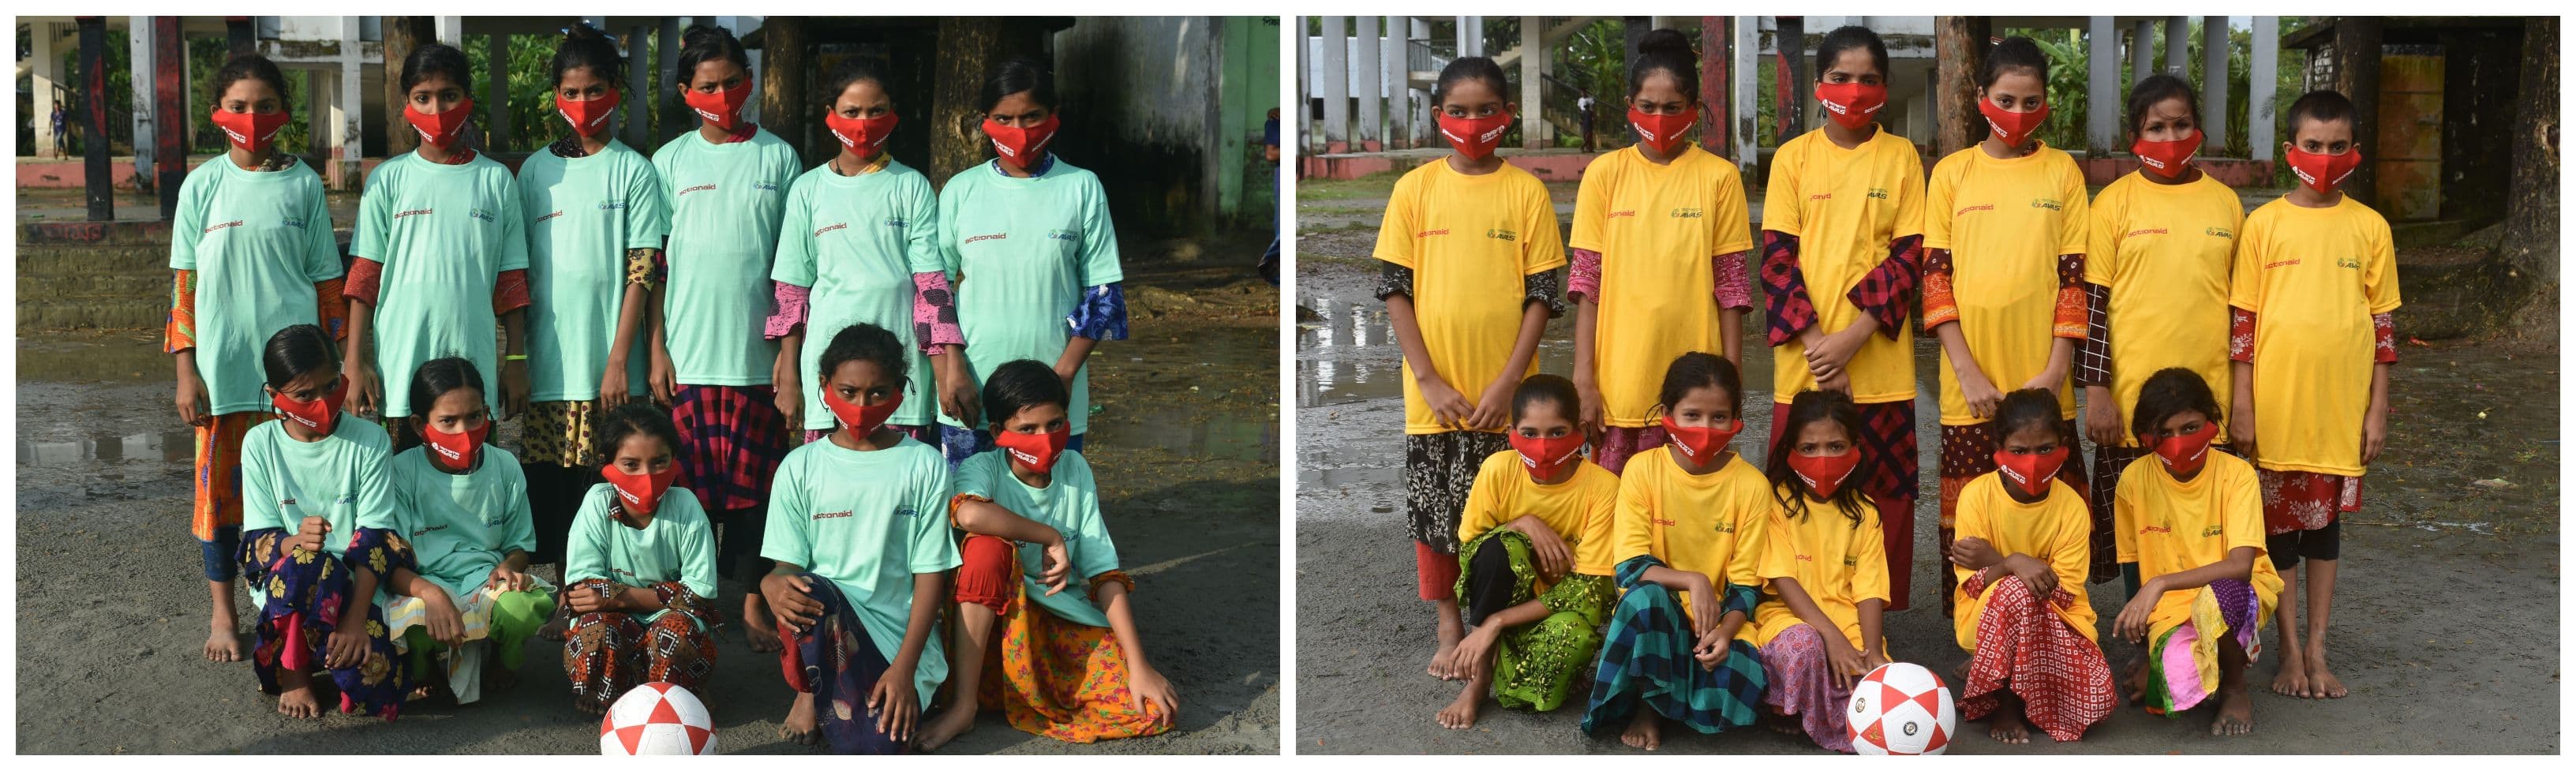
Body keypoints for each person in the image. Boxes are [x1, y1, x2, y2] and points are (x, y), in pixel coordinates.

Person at [1375, 55, 1566, 679]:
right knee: (1434, 513)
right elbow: (1395, 289)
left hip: (1503, 392)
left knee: (1498, 507)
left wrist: (1509, 382)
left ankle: (1495, 616)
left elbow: (1543, 295)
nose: (1473, 122)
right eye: (1459, 111)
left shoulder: (1526, 191)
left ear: (1507, 115)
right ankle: (1447, 622)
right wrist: (1428, 378)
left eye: (1487, 110)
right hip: (1434, 393)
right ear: (1438, 117)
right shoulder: (1415, 189)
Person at [168, 53, 348, 664]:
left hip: (294, 383)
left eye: (266, 106)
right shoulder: (201, 185)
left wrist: (342, 367)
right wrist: (185, 370)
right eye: (240, 106)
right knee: (218, 502)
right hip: (221, 378)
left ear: (284, 113)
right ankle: (224, 613)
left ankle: (291, 608)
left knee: (294, 496)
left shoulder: (302, 184)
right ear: (219, 113)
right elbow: (184, 289)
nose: (252, 117)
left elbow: (328, 283)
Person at [2228, 88, 2400, 702]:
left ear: (2354, 151)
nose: (2324, 157)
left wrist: (2378, 408)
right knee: (2279, 534)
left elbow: (2382, 330)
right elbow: (2243, 325)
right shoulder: (2264, 224)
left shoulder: (2370, 226)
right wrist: (2242, 403)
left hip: (2340, 412)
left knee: (2324, 532)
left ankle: (2320, 646)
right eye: (2312, 145)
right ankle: (2289, 649)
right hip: (2276, 410)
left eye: (2337, 146)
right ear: (2290, 150)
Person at [1921, 36, 2095, 616]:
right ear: (1980, 98)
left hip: (2046, 386)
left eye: (2031, 101)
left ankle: (2059, 630)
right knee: (1972, 520)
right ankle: (1978, 634)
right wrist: (1966, 371)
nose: (2017, 114)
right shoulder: (1951, 173)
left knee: (2052, 513)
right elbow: (1936, 277)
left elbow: (2074, 279)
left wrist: (2055, 371)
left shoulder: (2063, 172)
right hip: (1972, 389)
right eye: (2005, 99)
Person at [921, 359, 1180, 747]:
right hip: (991, 629)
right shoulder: (983, 467)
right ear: (998, 432)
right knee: (985, 550)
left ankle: (1009, 693)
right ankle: (964, 705)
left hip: (1059, 623)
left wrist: (1139, 665)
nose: (1045, 438)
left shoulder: (1075, 468)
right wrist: (1049, 535)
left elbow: (1103, 570)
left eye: (1055, 425)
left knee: (1152, 712)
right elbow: (969, 513)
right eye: (1027, 429)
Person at [1758, 24, 1926, 610]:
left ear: (1884, 86)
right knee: (1794, 495)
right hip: (1804, 368)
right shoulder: (1793, 158)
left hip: (1880, 368)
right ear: (1818, 82)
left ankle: (1875, 628)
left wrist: (1851, 340)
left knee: (1884, 501)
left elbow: (1908, 259)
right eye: (1841, 77)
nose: (1854, 91)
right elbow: (1778, 259)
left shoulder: (1902, 156)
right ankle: (1793, 615)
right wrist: (1819, 349)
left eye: (1868, 80)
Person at [651, 23, 804, 655]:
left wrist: (789, 358)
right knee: (687, 490)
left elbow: (794, 268)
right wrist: (656, 348)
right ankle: (688, 601)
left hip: (756, 358)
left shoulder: (779, 157)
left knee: (754, 495)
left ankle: (751, 597)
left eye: (733, 81)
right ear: (687, 91)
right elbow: (651, 267)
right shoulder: (668, 162)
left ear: (750, 80)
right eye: (707, 85)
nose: (722, 94)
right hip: (686, 356)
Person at [516, 22, 672, 641]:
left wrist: (619, 359)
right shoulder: (532, 174)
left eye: (597, 90)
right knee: (554, 494)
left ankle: (616, 598)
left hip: (611, 370)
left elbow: (643, 268)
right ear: (556, 95)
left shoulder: (635, 171)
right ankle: (568, 597)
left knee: (610, 490)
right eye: (573, 92)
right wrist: (518, 355)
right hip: (551, 366)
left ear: (618, 93)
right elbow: (518, 271)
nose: (585, 105)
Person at [2080, 73, 2244, 604]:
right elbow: (2094, 306)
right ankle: (2145, 635)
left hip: (2208, 402)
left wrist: (2244, 400)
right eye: (2157, 127)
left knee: (2207, 527)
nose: (2170, 138)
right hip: (2132, 408)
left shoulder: (2227, 205)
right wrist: (2098, 393)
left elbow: (2244, 311)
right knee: (2138, 531)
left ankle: (2209, 639)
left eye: (2181, 125)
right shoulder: (2112, 204)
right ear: (2134, 134)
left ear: (2199, 129)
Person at [759, 323, 959, 753]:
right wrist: (769, 582)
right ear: (824, 386)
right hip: (827, 627)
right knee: (805, 588)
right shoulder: (800, 467)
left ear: (900, 391)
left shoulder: (924, 465)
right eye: (848, 392)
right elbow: (786, 567)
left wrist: (904, 671)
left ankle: (866, 691)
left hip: (901, 643)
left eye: (877, 393)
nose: (861, 406)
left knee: (876, 747)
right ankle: (810, 692)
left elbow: (930, 576)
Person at [1568, 28, 1754, 474]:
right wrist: (1584, 380)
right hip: (1619, 387)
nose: (1659, 118)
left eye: (1672, 108)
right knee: (1620, 522)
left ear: (1694, 109)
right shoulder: (1604, 174)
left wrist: (1731, 379)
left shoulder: (1720, 177)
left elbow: (1731, 289)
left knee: (1692, 518)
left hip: (1698, 395)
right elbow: (1587, 286)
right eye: (1647, 107)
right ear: (1630, 105)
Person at [935, 55, 1129, 465]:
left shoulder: (1081, 187)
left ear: (1054, 116)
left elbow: (1104, 293)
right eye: (1004, 119)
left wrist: (1063, 376)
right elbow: (933, 291)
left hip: (1053, 403)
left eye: (1032, 116)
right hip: (972, 390)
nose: (1018, 131)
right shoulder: (960, 190)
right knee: (971, 515)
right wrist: (952, 370)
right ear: (984, 120)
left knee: (1049, 511)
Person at [769, 57, 968, 453]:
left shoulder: (912, 186)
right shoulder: (808, 190)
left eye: (876, 111)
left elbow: (932, 289)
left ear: (893, 113)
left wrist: (947, 370)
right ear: (830, 115)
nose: (864, 123)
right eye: (852, 112)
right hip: (827, 368)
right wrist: (789, 373)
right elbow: (791, 291)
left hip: (903, 370)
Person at [343, 42, 530, 452]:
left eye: (449, 96)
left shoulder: (496, 181)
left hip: (472, 367)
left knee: (474, 485)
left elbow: (511, 280)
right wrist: (354, 362)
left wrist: (515, 360)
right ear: (406, 104)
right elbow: (364, 276)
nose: (436, 109)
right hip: (401, 365)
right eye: (422, 98)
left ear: (468, 101)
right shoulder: (388, 180)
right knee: (405, 489)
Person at [1582, 352, 1769, 750]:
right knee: (1645, 599)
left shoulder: (1752, 486)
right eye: (1692, 415)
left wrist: (1725, 630)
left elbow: (1748, 585)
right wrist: (1692, 579)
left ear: (1736, 418)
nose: (1705, 427)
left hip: (1716, 620)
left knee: (1741, 679)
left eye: (1719, 417)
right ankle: (1649, 709)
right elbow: (1629, 567)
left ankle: (1676, 689)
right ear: (1668, 413)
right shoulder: (1642, 469)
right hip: (1656, 615)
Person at [234, 324, 407, 720]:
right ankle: (296, 672)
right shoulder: (260, 444)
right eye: (304, 395)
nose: (323, 402)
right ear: (274, 396)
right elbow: (260, 538)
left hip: (355, 583)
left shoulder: (371, 440)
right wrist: (295, 540)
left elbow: (375, 537)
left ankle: (328, 644)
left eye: (331, 386)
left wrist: (355, 620)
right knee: (309, 564)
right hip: (290, 586)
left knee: (373, 690)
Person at [1435, 373, 1619, 729]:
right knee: (1499, 548)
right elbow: (1471, 551)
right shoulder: (1498, 470)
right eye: (1530, 433)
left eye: (1557, 432)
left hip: (1557, 611)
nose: (1543, 445)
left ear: (1579, 431)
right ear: (1512, 432)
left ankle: (1496, 648)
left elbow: (1589, 588)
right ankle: (1479, 680)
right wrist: (1522, 523)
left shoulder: (1604, 488)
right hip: (1505, 595)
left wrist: (1495, 622)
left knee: (1566, 651)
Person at [2111, 368, 2280, 735]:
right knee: (2171, 687)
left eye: (2190, 427)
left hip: (2238, 592)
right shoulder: (2133, 481)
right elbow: (2133, 569)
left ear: (2213, 424)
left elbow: (2240, 568)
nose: (2178, 441)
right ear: (2146, 438)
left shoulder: (2238, 475)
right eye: (2164, 433)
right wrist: (2143, 654)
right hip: (2170, 609)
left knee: (2221, 598)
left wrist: (2160, 583)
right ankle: (2205, 659)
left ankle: (2235, 687)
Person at [379, 357, 554, 705]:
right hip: (423, 582)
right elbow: (391, 562)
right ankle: (423, 662)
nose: (464, 431)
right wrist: (430, 594)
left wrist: (509, 568)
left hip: (484, 581)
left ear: (487, 413)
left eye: (474, 417)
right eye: (448, 421)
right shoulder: (401, 473)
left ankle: (505, 661)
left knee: (521, 609)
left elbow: (520, 545)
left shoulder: (504, 466)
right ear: (419, 425)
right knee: (412, 622)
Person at [1946, 389, 2114, 744]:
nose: (2033, 461)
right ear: (1999, 448)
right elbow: (1973, 586)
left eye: (2045, 449)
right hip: (1981, 615)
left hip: (2060, 617)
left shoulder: (2071, 506)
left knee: (2097, 701)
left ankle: (1998, 673)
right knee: (2013, 590)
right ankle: (2006, 706)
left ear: (2063, 445)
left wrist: (1999, 561)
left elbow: (2065, 593)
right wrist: (2013, 563)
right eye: (2019, 451)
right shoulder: (1976, 496)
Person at [560, 401, 722, 714]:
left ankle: (682, 690)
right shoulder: (597, 502)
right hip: (621, 619)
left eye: (660, 462)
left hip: (664, 620)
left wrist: (618, 597)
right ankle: (602, 687)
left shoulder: (686, 506)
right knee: (597, 627)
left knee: (674, 632)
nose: (647, 476)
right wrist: (667, 595)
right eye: (631, 464)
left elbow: (701, 594)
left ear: (675, 460)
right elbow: (582, 590)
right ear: (607, 465)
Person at [1752, 389, 1890, 752]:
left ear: (1855, 448)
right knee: (1805, 647)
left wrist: (1873, 649)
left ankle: (1817, 711)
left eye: (1835, 446)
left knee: (1880, 696)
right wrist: (1831, 637)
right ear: (1791, 452)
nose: (1823, 458)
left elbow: (1869, 588)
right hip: (1787, 617)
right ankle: (1784, 706)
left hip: (1848, 622)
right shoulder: (1776, 503)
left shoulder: (1867, 513)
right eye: (1809, 448)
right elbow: (1782, 579)